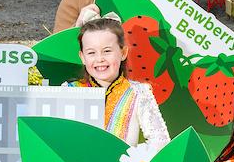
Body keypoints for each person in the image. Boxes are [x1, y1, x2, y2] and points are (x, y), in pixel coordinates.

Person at [65, 16, 170, 147]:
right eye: (91, 53)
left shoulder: (139, 93)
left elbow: (161, 142)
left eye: (107, 51)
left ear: (123, 52)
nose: (100, 59)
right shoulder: (69, 90)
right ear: (82, 57)